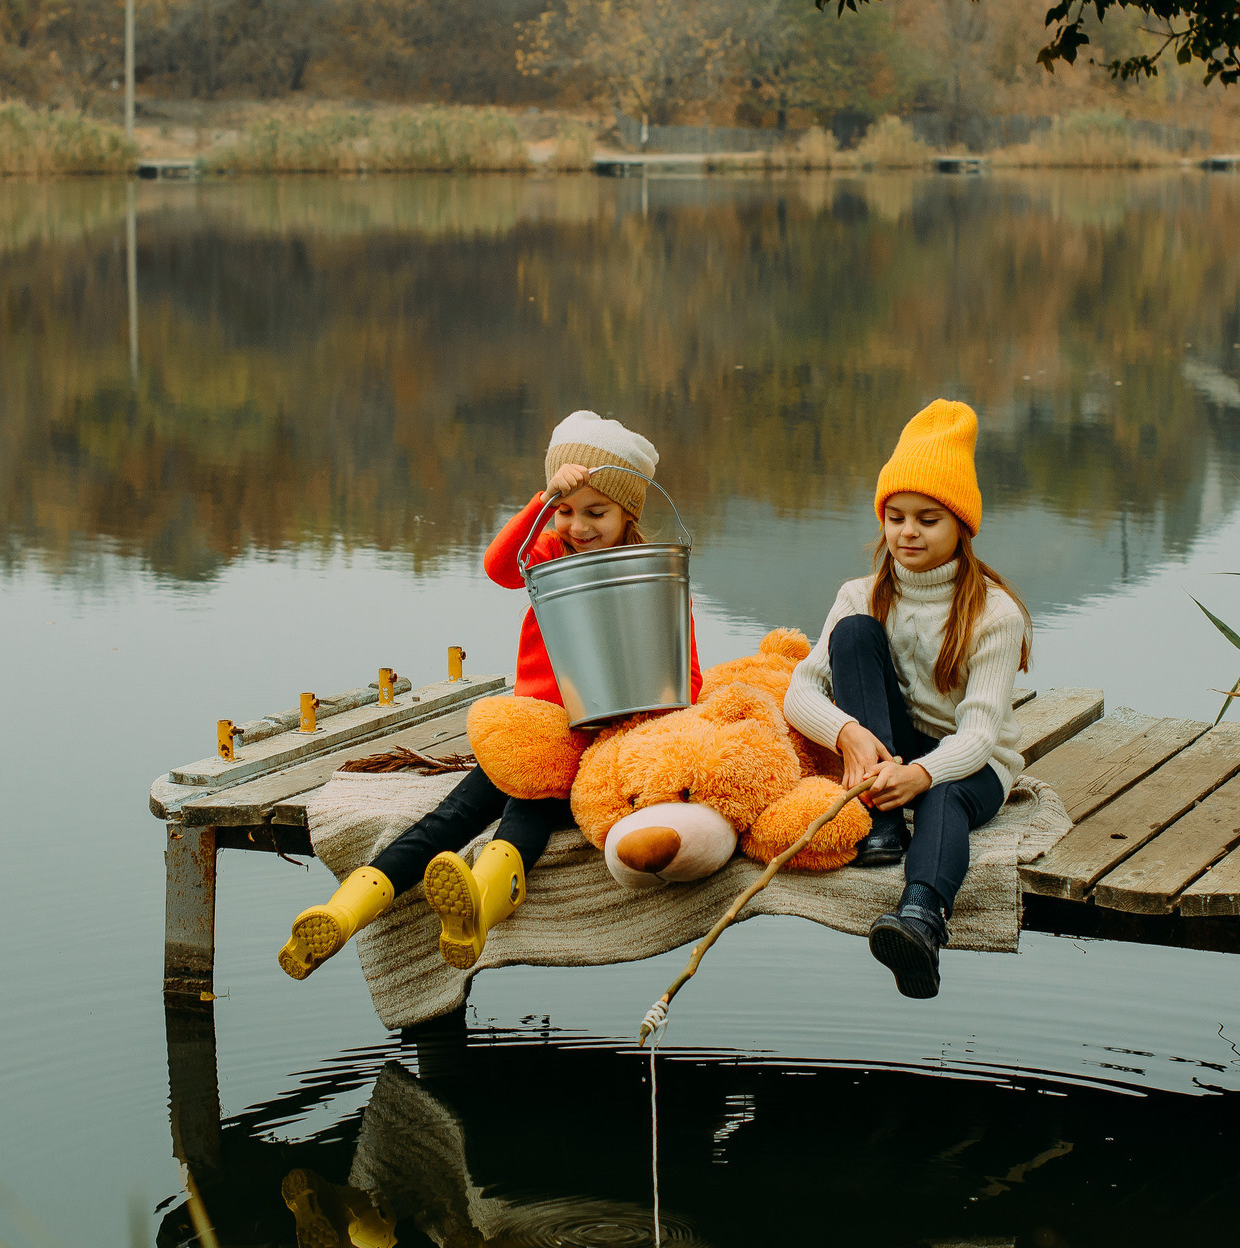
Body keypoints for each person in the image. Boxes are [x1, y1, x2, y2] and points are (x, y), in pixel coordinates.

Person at [278, 412, 702, 979]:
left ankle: (474, 910)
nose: (577, 525)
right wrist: (541, 498)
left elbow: (687, 678)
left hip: (592, 746)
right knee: (452, 815)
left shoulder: (651, 578)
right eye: (565, 510)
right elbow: (499, 565)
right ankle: (341, 914)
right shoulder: (548, 557)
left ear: (629, 513)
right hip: (529, 730)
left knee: (522, 818)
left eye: (596, 512)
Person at [781, 400, 1032, 999]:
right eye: (895, 517)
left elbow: (974, 738)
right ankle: (882, 824)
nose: (907, 532)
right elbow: (799, 691)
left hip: (974, 763)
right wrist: (846, 735)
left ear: (960, 527)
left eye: (927, 518)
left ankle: (920, 920)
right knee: (853, 635)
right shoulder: (860, 593)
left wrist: (920, 774)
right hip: (895, 745)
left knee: (945, 795)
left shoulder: (995, 614)